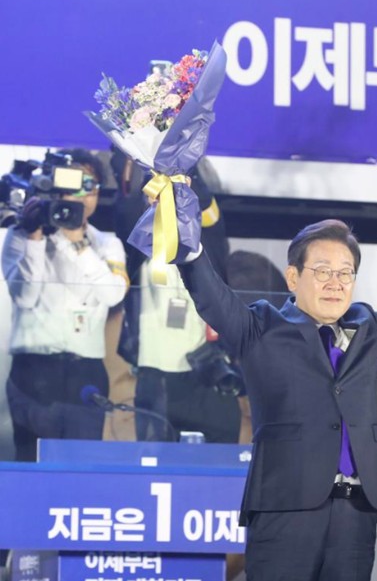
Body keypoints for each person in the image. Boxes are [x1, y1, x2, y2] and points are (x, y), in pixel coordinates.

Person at [173, 209, 377, 581]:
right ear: (293, 277)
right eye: (322, 271)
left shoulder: (369, 330)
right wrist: (188, 245)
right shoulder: (261, 328)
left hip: (356, 511)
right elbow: (212, 297)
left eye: (345, 273)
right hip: (286, 508)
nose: (335, 283)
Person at [2, 148, 128, 461]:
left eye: (90, 187)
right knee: (32, 462)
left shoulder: (106, 244)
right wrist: (34, 239)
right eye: (73, 185)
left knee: (81, 465)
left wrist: (76, 242)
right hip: (33, 371)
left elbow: (113, 295)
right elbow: (26, 297)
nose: (82, 196)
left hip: (85, 371)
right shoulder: (21, 234)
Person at [111, 151, 241, 443]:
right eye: (158, 193)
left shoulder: (207, 240)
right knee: (155, 460)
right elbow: (125, 208)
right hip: (154, 376)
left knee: (215, 461)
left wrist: (180, 161)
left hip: (203, 370)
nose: (165, 200)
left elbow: (207, 207)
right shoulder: (139, 240)